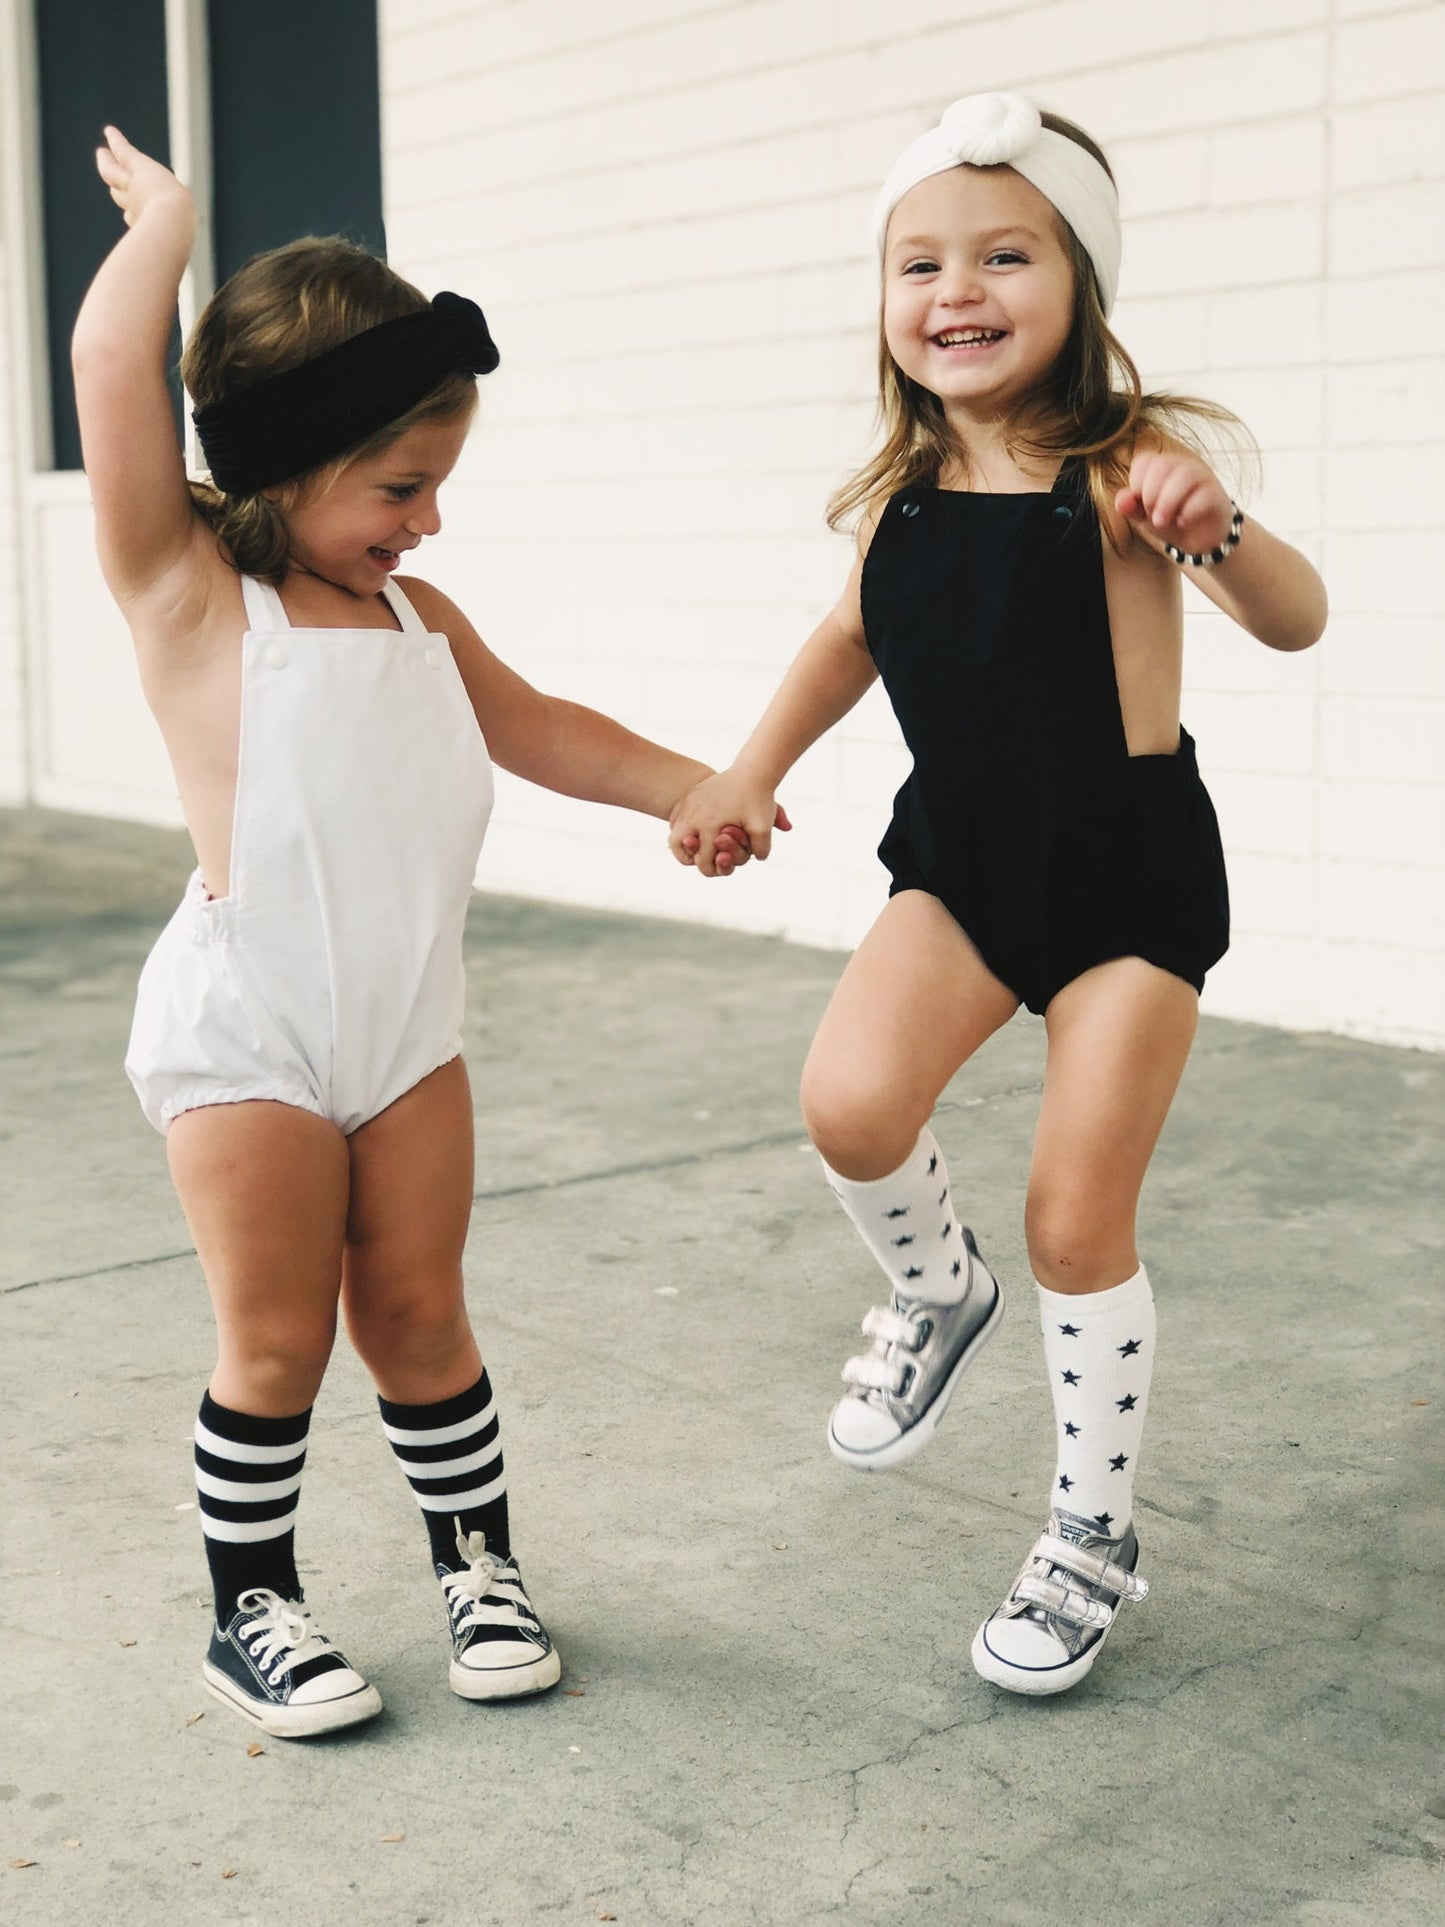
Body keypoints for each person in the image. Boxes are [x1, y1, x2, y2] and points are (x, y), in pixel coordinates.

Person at [74, 127, 750, 1738]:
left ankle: (481, 1569)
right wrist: (167, 222)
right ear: (293, 457)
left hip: (404, 1024)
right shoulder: (186, 592)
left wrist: (683, 784)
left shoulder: (411, 618)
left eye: (438, 484)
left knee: (422, 1313)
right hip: (254, 1029)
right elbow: (111, 357)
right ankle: (254, 1610)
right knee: (280, 1335)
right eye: (401, 485)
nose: (428, 521)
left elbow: (537, 727)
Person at [669, 92, 1326, 1696]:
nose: (955, 291)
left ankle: (1089, 1535)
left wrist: (1216, 529)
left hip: (1125, 880)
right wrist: (746, 771)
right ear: (884, 305)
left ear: (1078, 283)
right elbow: (846, 642)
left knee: (1072, 1216)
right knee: (846, 1103)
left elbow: (1293, 617)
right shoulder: (895, 496)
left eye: (1003, 253)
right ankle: (930, 1289)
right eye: (918, 264)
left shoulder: (1127, 472)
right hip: (957, 860)